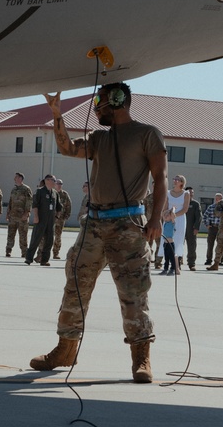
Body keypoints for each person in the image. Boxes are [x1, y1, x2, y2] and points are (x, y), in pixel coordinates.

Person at [29, 82, 167, 383]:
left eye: (100, 101)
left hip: (128, 225)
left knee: (133, 292)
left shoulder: (147, 134)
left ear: (117, 101)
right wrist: (57, 115)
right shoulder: (100, 138)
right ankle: (66, 350)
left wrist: (156, 219)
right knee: (76, 285)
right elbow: (67, 148)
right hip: (94, 223)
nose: (97, 107)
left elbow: (160, 178)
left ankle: (141, 357)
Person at [25, 174, 62, 266]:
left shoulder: (55, 193)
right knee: (35, 239)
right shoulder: (39, 191)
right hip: (41, 219)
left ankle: (44, 260)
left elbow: (59, 207)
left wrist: (56, 217)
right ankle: (29, 258)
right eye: (54, 180)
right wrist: (36, 217)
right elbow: (35, 205)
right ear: (47, 180)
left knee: (49, 241)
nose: (55, 182)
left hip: (50, 221)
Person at [158, 175, 189, 276]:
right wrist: (167, 215)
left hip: (179, 220)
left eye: (177, 180)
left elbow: (185, 209)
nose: (175, 181)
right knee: (167, 242)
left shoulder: (185, 194)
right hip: (168, 220)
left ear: (181, 182)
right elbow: (165, 207)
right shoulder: (168, 193)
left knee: (177, 243)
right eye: (174, 179)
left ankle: (175, 267)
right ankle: (166, 266)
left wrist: (174, 215)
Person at [5, 172, 32, 258]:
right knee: (10, 234)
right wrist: (8, 213)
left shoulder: (26, 189)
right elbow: (10, 202)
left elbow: (29, 202)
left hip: (22, 217)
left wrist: (27, 213)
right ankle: (8, 251)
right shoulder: (14, 189)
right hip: (13, 216)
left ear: (20, 178)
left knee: (23, 235)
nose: (14, 179)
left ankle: (24, 252)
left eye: (16, 177)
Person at [52, 179, 73, 259]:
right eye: (58, 183)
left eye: (61, 184)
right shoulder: (52, 193)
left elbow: (69, 205)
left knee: (58, 236)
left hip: (60, 219)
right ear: (55, 184)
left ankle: (56, 253)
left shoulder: (64, 194)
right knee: (48, 236)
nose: (59, 185)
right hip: (51, 219)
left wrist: (66, 216)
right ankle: (43, 253)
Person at [202, 192, 223, 269]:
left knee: (221, 244)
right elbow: (204, 216)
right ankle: (208, 260)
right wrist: (207, 225)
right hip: (212, 227)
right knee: (210, 244)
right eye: (217, 198)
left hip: (221, 228)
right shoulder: (211, 207)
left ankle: (220, 260)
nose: (218, 200)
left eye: (220, 198)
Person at [184, 186, 202, 271]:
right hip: (181, 228)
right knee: (178, 245)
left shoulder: (195, 204)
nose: (191, 194)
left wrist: (196, 227)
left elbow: (199, 217)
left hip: (191, 229)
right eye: (189, 193)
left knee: (192, 246)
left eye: (192, 193)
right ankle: (177, 262)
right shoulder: (181, 202)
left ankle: (191, 263)